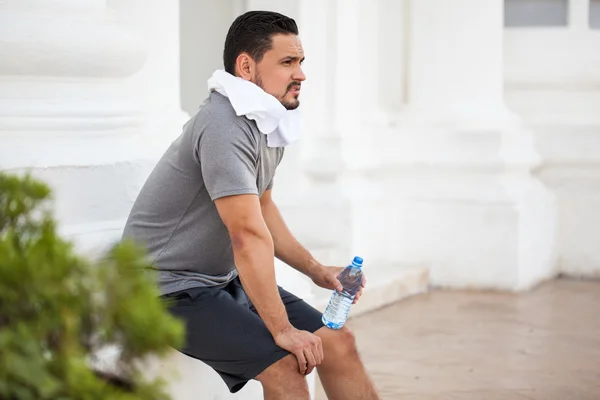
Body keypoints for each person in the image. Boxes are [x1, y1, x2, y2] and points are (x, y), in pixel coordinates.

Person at [122, 10, 380, 400]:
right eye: (287, 62)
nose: (301, 74)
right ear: (246, 66)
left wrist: (316, 271)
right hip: (164, 289)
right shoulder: (224, 126)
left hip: (216, 282)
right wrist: (282, 330)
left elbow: (264, 209)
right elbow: (246, 235)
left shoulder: (262, 120)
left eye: (301, 62)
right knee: (286, 366)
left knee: (337, 343)